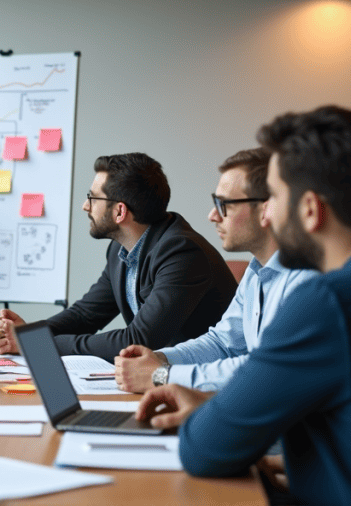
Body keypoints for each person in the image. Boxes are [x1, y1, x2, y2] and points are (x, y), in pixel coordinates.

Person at [137, 106, 351, 505]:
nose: (268, 213)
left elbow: (204, 451)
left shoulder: (332, 299)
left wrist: (208, 415)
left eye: (274, 197)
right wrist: (213, 404)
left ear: (310, 210)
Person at [0, 152, 237, 359]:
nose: (85, 206)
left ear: (120, 211)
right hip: (156, 378)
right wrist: (26, 334)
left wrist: (37, 345)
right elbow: (85, 315)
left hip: (198, 384)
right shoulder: (120, 250)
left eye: (92, 198)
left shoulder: (182, 253)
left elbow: (139, 340)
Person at [114, 148, 317, 392]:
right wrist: (159, 359)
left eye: (223, 205)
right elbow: (222, 343)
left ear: (266, 209)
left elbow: (266, 370)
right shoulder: (255, 273)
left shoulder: (307, 281)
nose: (212, 216)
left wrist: (161, 376)